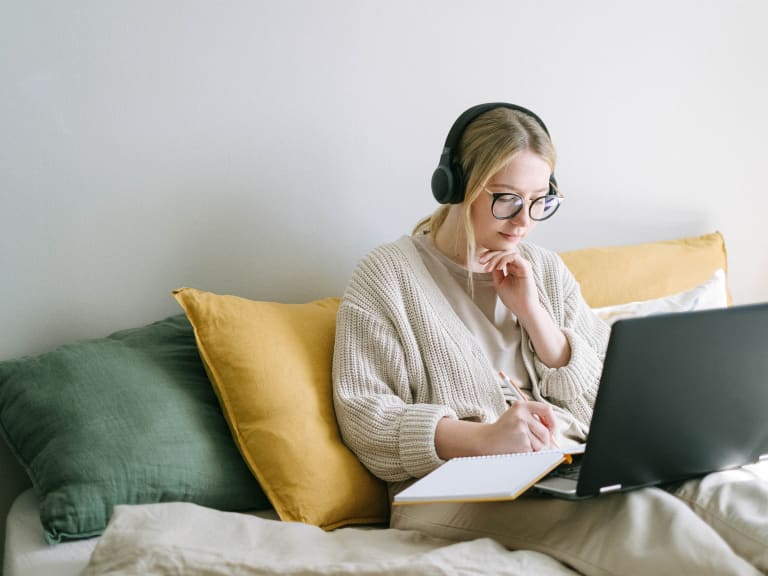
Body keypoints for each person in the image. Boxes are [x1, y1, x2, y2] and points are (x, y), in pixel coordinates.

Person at [332, 103, 768, 575]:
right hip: (450, 491)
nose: (523, 221)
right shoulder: (386, 277)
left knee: (729, 494)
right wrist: (484, 439)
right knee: (646, 522)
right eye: (506, 198)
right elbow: (366, 418)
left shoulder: (543, 269)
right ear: (457, 187)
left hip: (568, 465)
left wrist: (535, 316)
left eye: (539, 200)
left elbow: (607, 397)